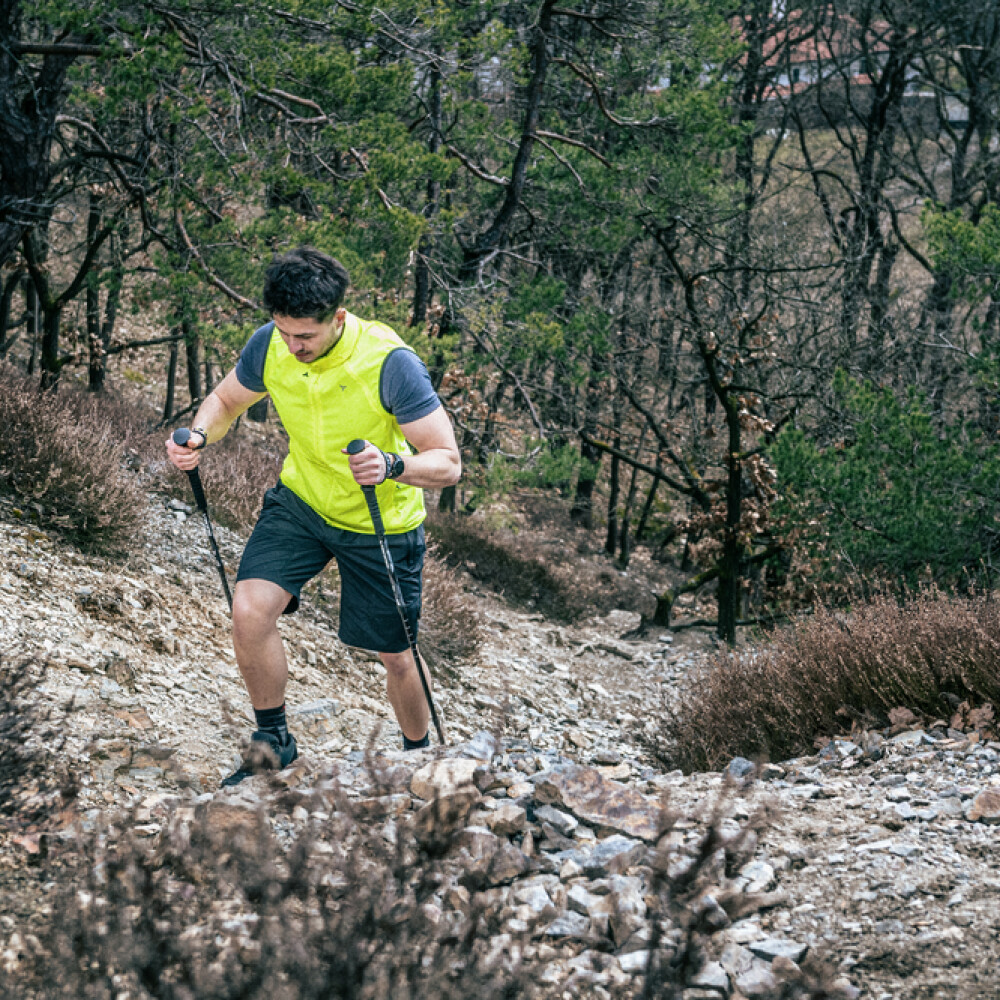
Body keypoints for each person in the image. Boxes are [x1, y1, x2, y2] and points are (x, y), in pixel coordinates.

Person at [166, 247, 461, 786]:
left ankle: (416, 759)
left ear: (338, 318)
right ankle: (274, 742)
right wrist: (199, 434)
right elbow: (228, 400)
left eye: (306, 336)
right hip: (302, 502)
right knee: (250, 609)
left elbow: (448, 464)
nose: (293, 347)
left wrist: (392, 463)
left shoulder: (389, 362)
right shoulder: (270, 344)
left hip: (379, 521)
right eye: (285, 333)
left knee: (395, 655)